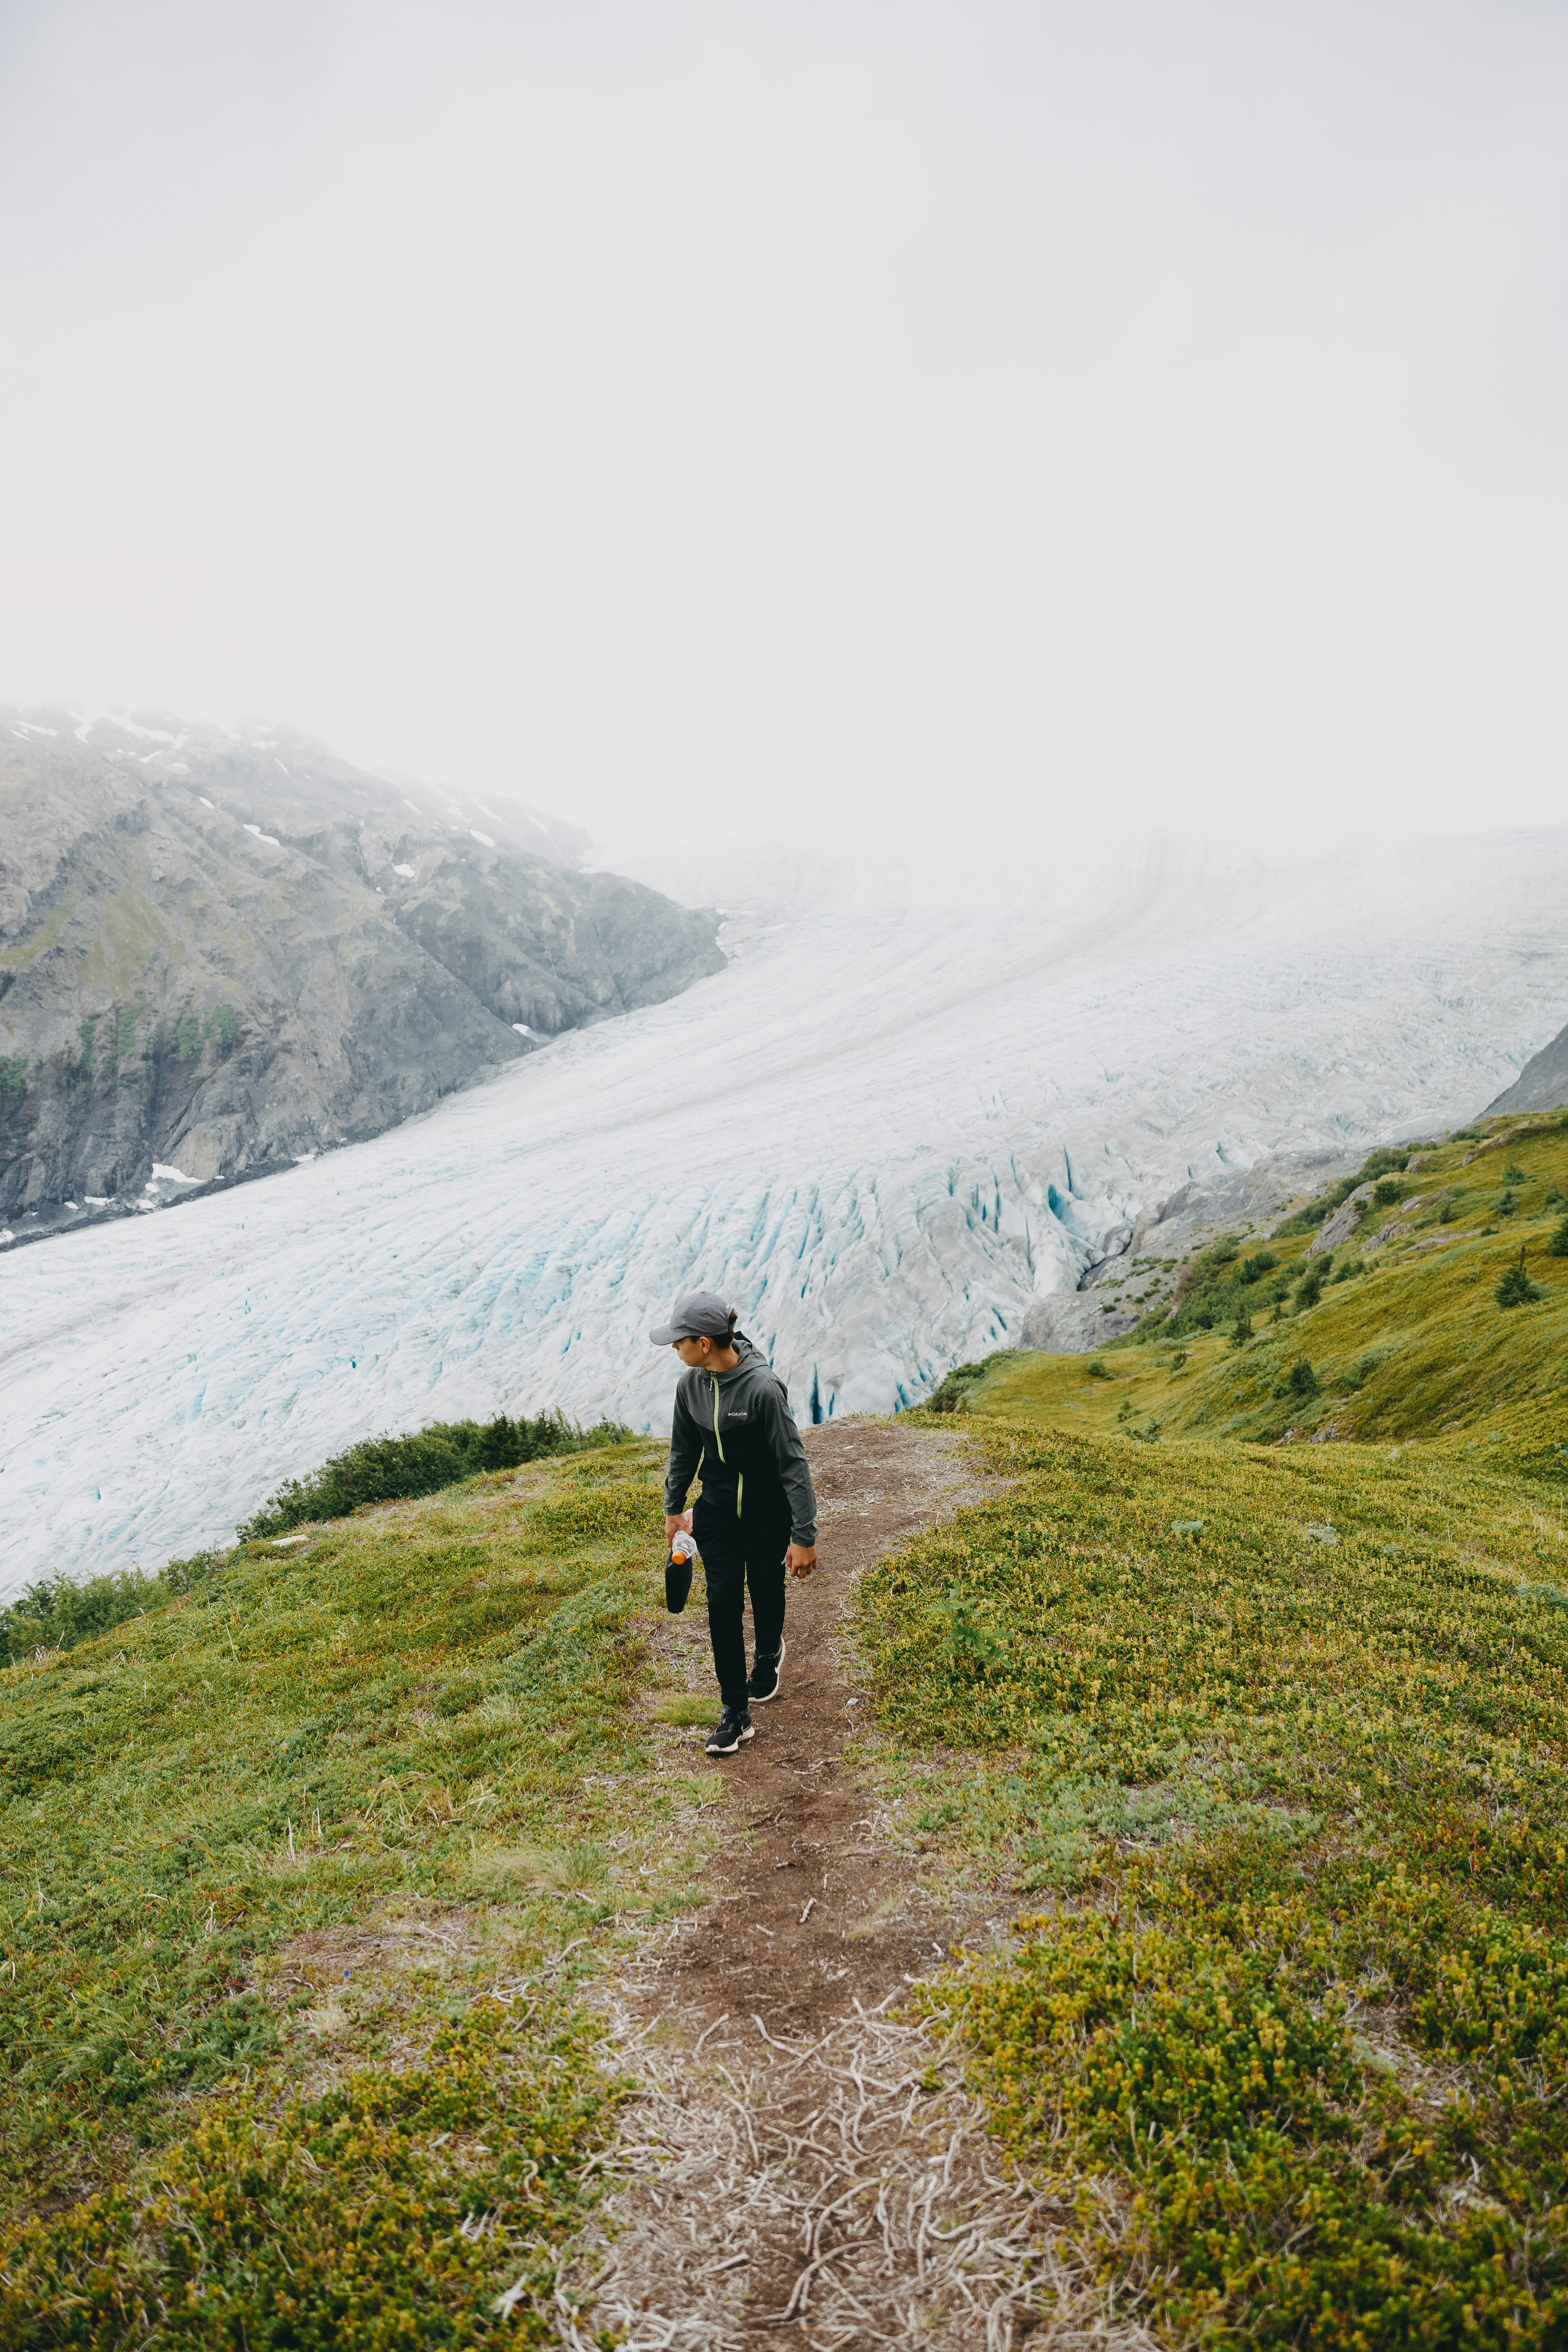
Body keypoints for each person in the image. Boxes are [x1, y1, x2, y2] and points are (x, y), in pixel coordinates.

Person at [651, 1290, 819, 1756]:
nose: (674, 1348)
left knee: (765, 1588)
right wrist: (673, 1508)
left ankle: (769, 1652)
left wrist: (804, 1536)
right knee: (722, 1600)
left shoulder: (763, 1390)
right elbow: (684, 1453)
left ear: (704, 1342)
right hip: (718, 1512)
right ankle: (734, 1711)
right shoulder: (691, 1387)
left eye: (679, 1341)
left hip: (767, 1514)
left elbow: (793, 1463)